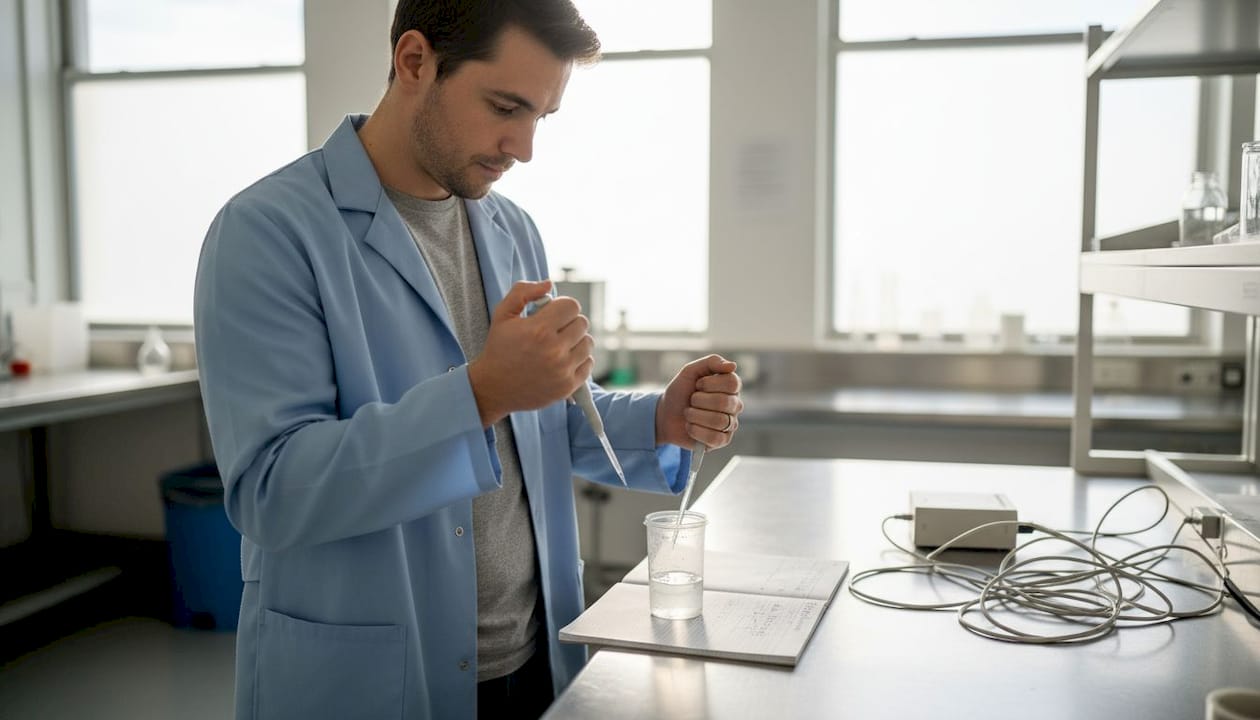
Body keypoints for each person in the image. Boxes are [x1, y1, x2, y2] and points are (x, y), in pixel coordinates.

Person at [192, 1, 744, 718]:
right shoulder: (267, 233)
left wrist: (660, 419)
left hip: (532, 656)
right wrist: (478, 395)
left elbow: (536, 419)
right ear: (414, 61)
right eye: (506, 106)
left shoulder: (512, 228)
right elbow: (271, 490)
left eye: (541, 116)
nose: (523, 146)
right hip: (372, 674)